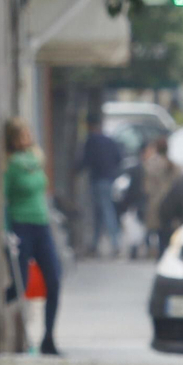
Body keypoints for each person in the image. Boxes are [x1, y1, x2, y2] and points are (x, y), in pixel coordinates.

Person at [2, 117, 61, 356]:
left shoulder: (37, 160)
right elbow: (4, 200)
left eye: (28, 133)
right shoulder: (12, 165)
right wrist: (7, 232)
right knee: (21, 284)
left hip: (42, 225)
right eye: (22, 135)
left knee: (54, 280)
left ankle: (49, 338)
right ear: (13, 139)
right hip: (21, 225)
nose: (27, 138)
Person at [77, 109, 124, 257]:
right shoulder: (108, 140)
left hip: (98, 179)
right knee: (100, 212)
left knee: (105, 211)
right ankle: (95, 245)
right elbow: (118, 158)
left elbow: (86, 160)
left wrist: (76, 170)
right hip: (109, 178)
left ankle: (115, 244)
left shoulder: (91, 140)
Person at [141, 137, 181, 257]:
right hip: (171, 204)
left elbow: (146, 187)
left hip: (155, 203)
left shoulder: (150, 165)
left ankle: (153, 251)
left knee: (154, 230)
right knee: (167, 231)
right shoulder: (175, 166)